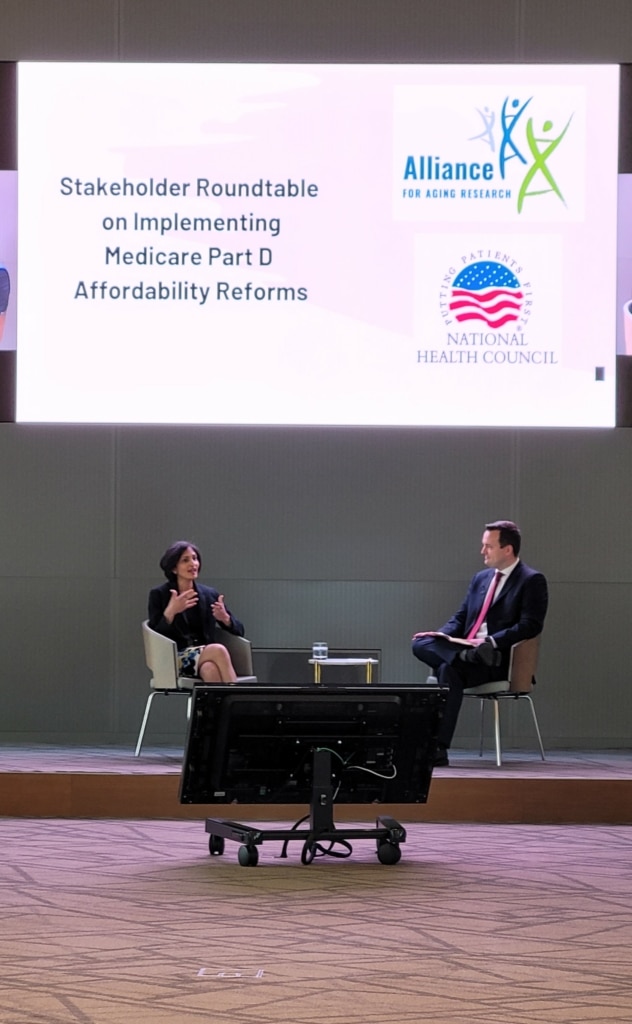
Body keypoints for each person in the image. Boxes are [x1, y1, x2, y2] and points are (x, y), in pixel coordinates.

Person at [411, 520, 548, 767]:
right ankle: (461, 657)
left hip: (496, 659)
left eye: (488, 546)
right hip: (469, 652)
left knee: (447, 670)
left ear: (507, 549)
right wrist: (443, 636)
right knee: (421, 644)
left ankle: (435, 748)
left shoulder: (532, 580)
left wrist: (492, 641)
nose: (482, 551)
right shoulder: (480, 579)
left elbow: (531, 625)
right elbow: (461, 617)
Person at [148, 540, 245, 684]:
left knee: (209, 669)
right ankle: (238, 701)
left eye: (195, 558)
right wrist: (171, 612)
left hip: (205, 657)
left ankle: (215, 707)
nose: (193, 564)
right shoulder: (160, 594)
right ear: (174, 568)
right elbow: (155, 636)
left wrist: (225, 619)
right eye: (185, 560)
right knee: (218, 650)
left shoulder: (209, 594)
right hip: (175, 660)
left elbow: (240, 630)